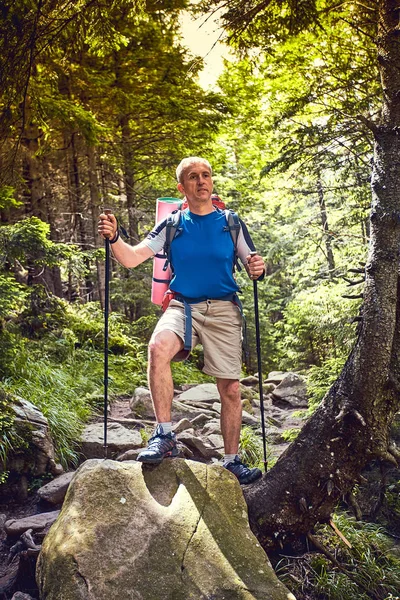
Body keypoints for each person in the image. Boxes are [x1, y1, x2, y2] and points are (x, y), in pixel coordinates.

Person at [98, 157, 266, 485]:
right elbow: (132, 258)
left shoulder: (230, 222)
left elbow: (252, 264)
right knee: (158, 347)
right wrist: (115, 236)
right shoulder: (172, 225)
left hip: (223, 309)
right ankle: (164, 436)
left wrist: (259, 268)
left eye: (206, 175)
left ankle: (230, 462)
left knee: (230, 388)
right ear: (182, 187)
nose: (202, 181)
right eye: (193, 177)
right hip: (182, 306)